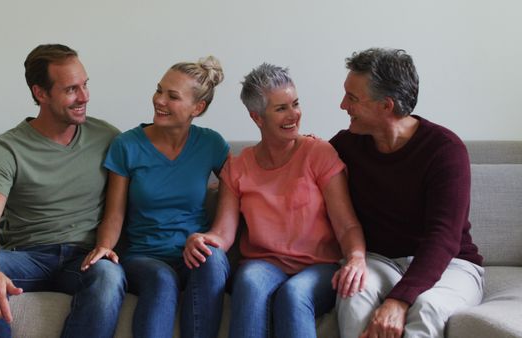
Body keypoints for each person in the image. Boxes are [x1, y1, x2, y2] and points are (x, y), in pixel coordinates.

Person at [184, 63, 367, 338]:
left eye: (295, 104)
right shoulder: (239, 166)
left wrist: (356, 257)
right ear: (257, 118)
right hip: (263, 264)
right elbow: (224, 232)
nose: (293, 114)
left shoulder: (319, 153)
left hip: (319, 267)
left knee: (293, 296)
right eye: (281, 109)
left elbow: (347, 225)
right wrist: (202, 239)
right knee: (248, 282)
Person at [0, 44, 126, 338]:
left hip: (84, 259)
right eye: (71, 89)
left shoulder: (108, 137)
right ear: (41, 93)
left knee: (110, 276)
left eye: (85, 85)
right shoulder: (7, 148)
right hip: (27, 256)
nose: (84, 96)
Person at [330, 48, 484, 338]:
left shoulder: (445, 150)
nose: (342, 105)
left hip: (450, 265)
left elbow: (443, 238)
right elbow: (306, 167)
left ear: (386, 106)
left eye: (352, 98)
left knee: (426, 308)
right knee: (353, 295)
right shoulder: (347, 145)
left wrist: (399, 301)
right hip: (380, 261)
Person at [80, 56, 230, 338]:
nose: (159, 100)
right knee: (162, 279)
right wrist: (104, 247)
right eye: (159, 90)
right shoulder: (127, 145)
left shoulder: (211, 144)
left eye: (172, 96)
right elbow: (114, 213)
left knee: (214, 260)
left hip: (192, 253)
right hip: (144, 258)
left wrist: (295, 148)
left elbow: (242, 189)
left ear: (198, 107)